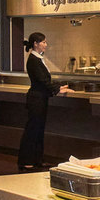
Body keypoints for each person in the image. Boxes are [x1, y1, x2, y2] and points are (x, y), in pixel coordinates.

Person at [18, 32, 72, 171]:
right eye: (43, 42)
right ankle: (26, 161)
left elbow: (45, 80)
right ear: (35, 44)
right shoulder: (33, 60)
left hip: (40, 98)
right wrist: (57, 89)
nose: (46, 45)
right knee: (32, 129)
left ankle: (37, 159)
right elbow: (42, 81)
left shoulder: (38, 58)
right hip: (36, 99)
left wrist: (59, 87)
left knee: (39, 130)